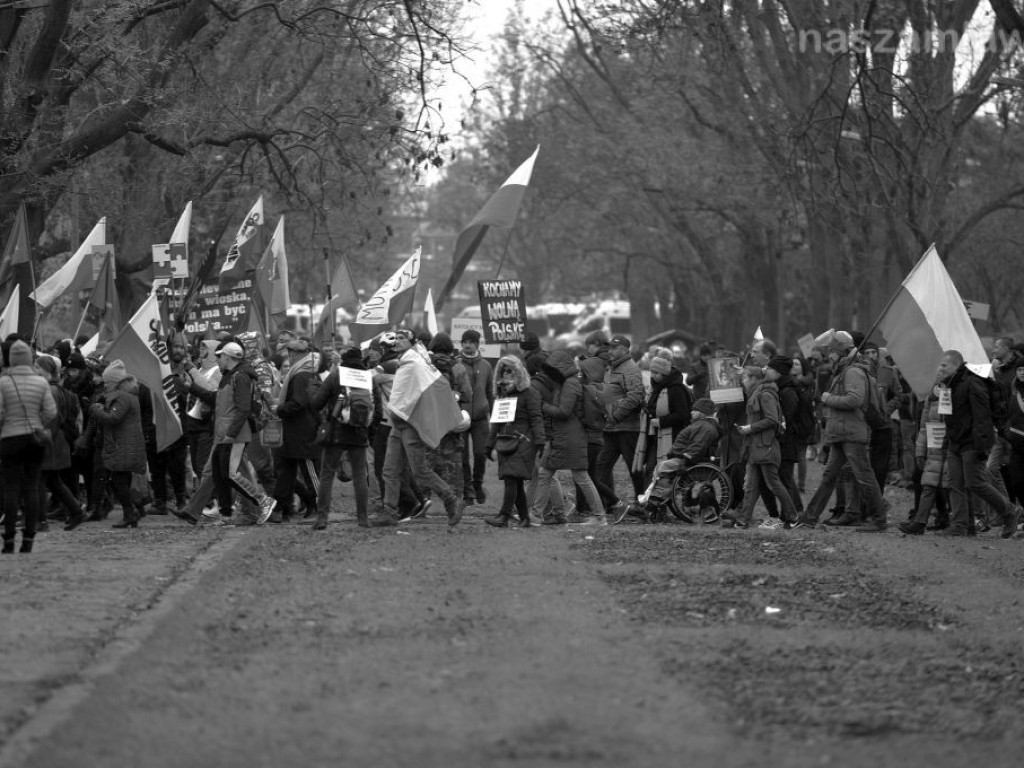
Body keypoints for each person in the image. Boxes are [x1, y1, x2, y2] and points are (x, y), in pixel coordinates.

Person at [367, 330, 466, 528]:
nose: (398, 341)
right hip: (399, 422)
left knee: (419, 470)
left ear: (412, 342)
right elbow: (402, 392)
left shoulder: (414, 362)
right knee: (389, 469)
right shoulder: (406, 361)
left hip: (410, 423)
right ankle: (390, 511)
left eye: (403, 338)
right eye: (397, 338)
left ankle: (451, 499)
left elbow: (414, 393)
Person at [795, 331, 885, 530]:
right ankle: (810, 517)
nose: (829, 355)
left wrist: (828, 399)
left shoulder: (852, 371)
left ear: (843, 350)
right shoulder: (843, 369)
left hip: (851, 433)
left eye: (832, 351)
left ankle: (879, 519)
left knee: (864, 476)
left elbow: (855, 399)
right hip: (841, 433)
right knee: (828, 476)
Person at [936, 350, 1021, 538]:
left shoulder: (973, 382)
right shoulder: (949, 385)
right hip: (955, 441)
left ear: (956, 366)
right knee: (955, 483)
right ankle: (961, 525)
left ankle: (1010, 511)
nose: (939, 368)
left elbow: (982, 417)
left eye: (944, 365)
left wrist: (982, 446)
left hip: (973, 442)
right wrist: (947, 439)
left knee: (976, 483)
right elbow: (948, 416)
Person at [522, 350, 608, 527]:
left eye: (551, 370)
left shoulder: (570, 383)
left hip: (568, 437)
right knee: (550, 474)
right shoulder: (566, 382)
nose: (548, 374)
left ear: (559, 368)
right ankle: (537, 515)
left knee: (574, 476)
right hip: (566, 436)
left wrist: (542, 405)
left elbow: (564, 412)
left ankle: (599, 517)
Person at [208, 342, 277, 525]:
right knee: (219, 473)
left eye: (219, 356)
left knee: (231, 474)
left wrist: (231, 434)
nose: (217, 360)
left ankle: (263, 500)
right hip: (226, 433)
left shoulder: (241, 376)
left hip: (235, 433)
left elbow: (243, 409)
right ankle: (226, 514)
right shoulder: (231, 375)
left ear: (228, 358)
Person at [0, 340, 57, 553]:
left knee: (11, 488)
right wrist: (37, 421)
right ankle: (29, 540)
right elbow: (51, 412)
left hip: (10, 439)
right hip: (34, 439)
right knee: (32, 487)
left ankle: (8, 540)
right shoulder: (41, 383)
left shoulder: (4, 382)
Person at [723, 365, 797, 530]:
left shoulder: (765, 395)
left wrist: (749, 428)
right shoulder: (755, 394)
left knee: (773, 484)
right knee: (750, 485)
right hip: (755, 448)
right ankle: (743, 521)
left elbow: (772, 420)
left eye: (746, 377)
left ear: (755, 379)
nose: (743, 380)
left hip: (765, 447)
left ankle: (793, 518)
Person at [630, 397, 723, 519]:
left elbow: (697, 446)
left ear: (702, 413)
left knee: (664, 467)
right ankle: (651, 502)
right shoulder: (703, 425)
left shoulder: (705, 427)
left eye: (694, 410)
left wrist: (685, 460)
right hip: (687, 458)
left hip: (690, 461)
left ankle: (652, 503)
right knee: (662, 468)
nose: (691, 412)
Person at [311, 347, 372, 530]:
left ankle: (322, 518)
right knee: (360, 474)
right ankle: (363, 519)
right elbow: (376, 409)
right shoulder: (367, 377)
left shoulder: (336, 375)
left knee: (327, 474)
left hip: (336, 431)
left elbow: (316, 403)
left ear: (343, 360)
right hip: (360, 432)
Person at [483, 355, 546, 527]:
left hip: (524, 440)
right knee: (515, 481)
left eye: (510, 370)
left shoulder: (530, 393)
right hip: (506, 440)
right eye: (503, 371)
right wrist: (489, 444)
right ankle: (524, 518)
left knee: (512, 477)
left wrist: (540, 440)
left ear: (518, 372)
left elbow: (536, 418)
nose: (506, 374)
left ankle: (504, 515)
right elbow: (496, 420)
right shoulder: (502, 394)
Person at [85, 360, 148, 529]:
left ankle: (130, 512)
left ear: (114, 383)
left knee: (118, 479)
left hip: (123, 444)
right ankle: (132, 512)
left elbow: (113, 419)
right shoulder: (128, 394)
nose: (104, 386)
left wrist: (96, 409)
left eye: (107, 383)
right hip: (126, 443)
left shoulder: (122, 397)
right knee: (122, 479)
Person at [35, 356, 85, 531]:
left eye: (38, 367)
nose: (35, 370)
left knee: (40, 480)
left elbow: (52, 419)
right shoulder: (56, 389)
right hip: (56, 441)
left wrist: (40, 438)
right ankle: (76, 512)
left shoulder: (51, 391)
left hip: (51, 441)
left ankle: (40, 521)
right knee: (53, 481)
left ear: (48, 371)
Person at [899, 372, 952, 535]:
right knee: (928, 483)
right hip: (933, 445)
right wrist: (920, 451)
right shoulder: (932, 395)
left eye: (944, 367)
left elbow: (954, 421)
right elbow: (924, 426)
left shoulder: (954, 392)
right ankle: (920, 522)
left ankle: (962, 520)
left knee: (949, 485)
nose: (939, 372)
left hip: (948, 446)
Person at [272, 338, 319, 523]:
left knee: (309, 472)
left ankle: (317, 506)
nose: (288, 358)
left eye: (289, 354)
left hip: (302, 432)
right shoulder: (306, 372)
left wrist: (279, 409)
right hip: (294, 432)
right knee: (286, 472)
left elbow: (299, 403)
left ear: (294, 354)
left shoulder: (300, 375)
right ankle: (280, 508)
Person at [596, 334, 646, 501]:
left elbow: (635, 397)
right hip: (611, 428)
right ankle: (606, 504)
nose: (610, 351)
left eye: (614, 348)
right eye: (609, 347)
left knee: (635, 469)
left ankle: (644, 502)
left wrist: (615, 416)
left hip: (627, 428)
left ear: (625, 349)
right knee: (601, 468)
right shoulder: (611, 367)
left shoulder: (630, 369)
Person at [764, 355, 804, 520]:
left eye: (771, 369)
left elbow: (787, 416)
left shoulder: (787, 391)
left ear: (779, 372)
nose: (767, 371)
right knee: (784, 476)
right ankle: (792, 511)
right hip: (784, 439)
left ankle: (793, 512)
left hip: (787, 440)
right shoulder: (782, 387)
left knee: (785, 477)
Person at [458, 329, 493, 505]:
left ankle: (477, 484)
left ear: (477, 344)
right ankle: (467, 490)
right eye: (465, 342)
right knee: (462, 456)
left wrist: (494, 416)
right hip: (460, 418)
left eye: (471, 342)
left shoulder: (486, 365)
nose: (468, 345)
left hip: (480, 417)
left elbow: (490, 391)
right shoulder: (455, 364)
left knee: (481, 453)